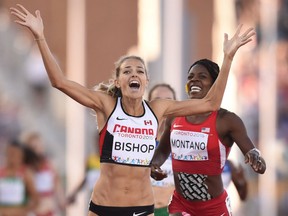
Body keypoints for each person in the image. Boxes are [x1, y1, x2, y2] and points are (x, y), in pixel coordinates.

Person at [10, 4, 255, 216]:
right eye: (127, 71)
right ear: (118, 81)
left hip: (142, 206)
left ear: (146, 81)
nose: (134, 74)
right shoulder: (106, 105)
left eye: (139, 71)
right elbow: (59, 82)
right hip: (104, 205)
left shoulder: (158, 109)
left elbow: (210, 104)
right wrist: (40, 37)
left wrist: (228, 58)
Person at [151, 58, 266, 216]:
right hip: (181, 205)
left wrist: (255, 157)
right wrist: (154, 164)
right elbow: (162, 151)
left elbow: (253, 153)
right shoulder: (175, 116)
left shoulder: (227, 120)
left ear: (214, 84)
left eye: (202, 76)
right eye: (190, 77)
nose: (194, 80)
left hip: (213, 207)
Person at [21, 131, 66, 216]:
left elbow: (57, 187)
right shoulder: (24, 169)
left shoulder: (50, 165)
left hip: (50, 211)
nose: (39, 150)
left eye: (40, 146)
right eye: (34, 147)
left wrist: (62, 201)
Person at [148, 84, 176, 216]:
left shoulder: (182, 138)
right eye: (158, 100)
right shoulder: (139, 138)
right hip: (142, 210)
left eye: (169, 100)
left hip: (171, 211)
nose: (164, 105)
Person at [0, 139, 39, 216]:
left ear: (21, 155)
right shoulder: (1, 172)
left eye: (14, 154)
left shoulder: (25, 173)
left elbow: (36, 199)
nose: (11, 157)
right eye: (9, 153)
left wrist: (25, 210)